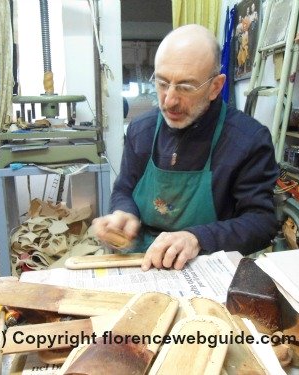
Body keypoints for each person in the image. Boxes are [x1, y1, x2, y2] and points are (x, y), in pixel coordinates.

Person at [93, 24, 278, 271]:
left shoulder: (248, 140)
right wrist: (124, 213)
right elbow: (124, 188)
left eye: (185, 87)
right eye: (162, 83)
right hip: (140, 260)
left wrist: (198, 237)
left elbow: (261, 222)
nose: (169, 100)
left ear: (215, 87)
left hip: (206, 263)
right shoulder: (141, 131)